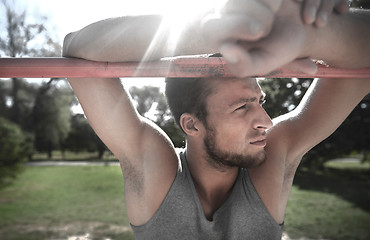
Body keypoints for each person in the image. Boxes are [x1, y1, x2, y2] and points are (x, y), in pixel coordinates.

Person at [62, 0, 370, 239]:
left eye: (258, 102)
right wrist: (218, 30)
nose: (266, 120)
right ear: (191, 125)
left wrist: (310, 34)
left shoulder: (273, 154)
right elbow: (76, 48)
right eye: (241, 108)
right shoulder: (156, 167)